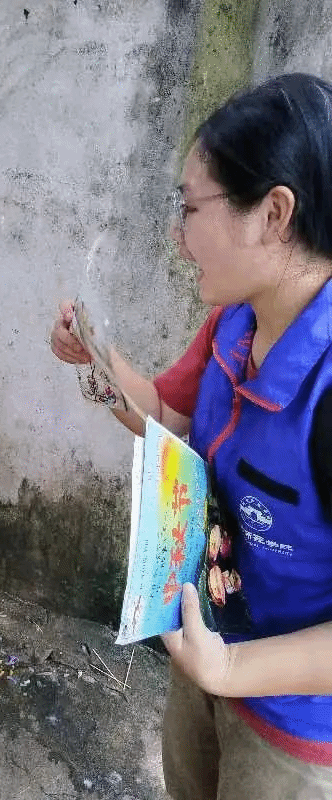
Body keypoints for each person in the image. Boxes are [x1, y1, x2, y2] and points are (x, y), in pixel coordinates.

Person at [50, 73, 332, 799]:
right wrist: (98, 356)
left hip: (296, 729)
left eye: (190, 208)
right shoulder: (235, 323)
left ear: (274, 213)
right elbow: (165, 420)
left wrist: (232, 670)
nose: (179, 238)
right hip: (203, 646)